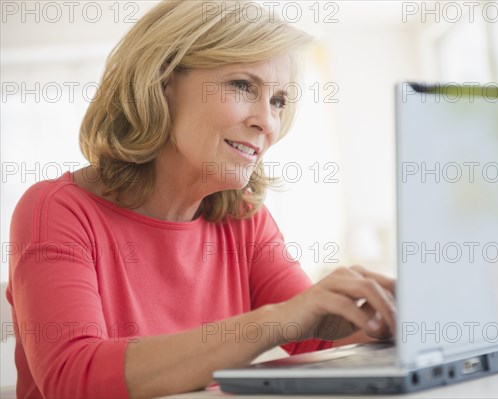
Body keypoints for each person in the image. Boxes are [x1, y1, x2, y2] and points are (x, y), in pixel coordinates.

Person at [6, 1, 396, 397]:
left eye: (278, 100)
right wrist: (276, 320)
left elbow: (321, 339)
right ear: (161, 81)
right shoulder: (57, 210)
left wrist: (398, 317)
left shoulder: (244, 219)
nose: (268, 122)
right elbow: (74, 377)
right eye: (243, 85)